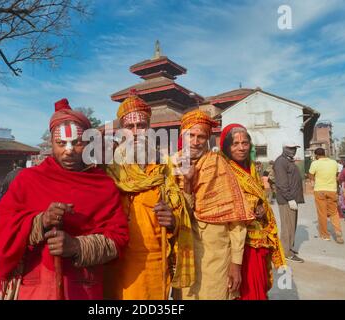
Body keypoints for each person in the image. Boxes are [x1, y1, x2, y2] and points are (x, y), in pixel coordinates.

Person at [0, 98, 129, 300]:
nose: (68, 151)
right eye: (61, 143)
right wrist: (40, 221)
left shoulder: (104, 187)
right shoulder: (28, 180)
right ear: (51, 144)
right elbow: (1, 226)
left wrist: (77, 247)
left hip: (84, 286)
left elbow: (119, 239)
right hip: (35, 285)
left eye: (77, 143)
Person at [104, 92, 195, 300]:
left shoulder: (164, 169)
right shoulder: (106, 172)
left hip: (155, 261)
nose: (136, 133)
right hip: (116, 264)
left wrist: (172, 221)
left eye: (142, 126)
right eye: (130, 127)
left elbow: (183, 212)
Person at [176, 111, 255, 300]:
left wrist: (236, 263)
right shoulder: (171, 165)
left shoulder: (219, 165)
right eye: (190, 136)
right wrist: (187, 183)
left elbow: (236, 220)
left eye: (201, 136)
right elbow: (176, 212)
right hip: (183, 253)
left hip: (216, 256)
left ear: (208, 139)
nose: (195, 142)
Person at [220, 124, 286, 300]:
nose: (241, 148)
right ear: (226, 147)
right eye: (235, 144)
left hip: (258, 240)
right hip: (235, 242)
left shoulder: (252, 168)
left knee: (258, 288)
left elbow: (260, 196)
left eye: (245, 142)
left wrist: (261, 208)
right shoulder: (222, 169)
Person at [274, 142, 305, 263]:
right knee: (288, 226)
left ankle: (289, 248)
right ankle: (286, 252)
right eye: (290, 148)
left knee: (292, 225)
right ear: (284, 148)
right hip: (287, 200)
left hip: (292, 198)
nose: (293, 150)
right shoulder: (281, 162)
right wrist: (290, 198)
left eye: (295, 148)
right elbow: (282, 183)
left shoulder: (288, 161)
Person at [309, 148, 344, 244]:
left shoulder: (315, 163)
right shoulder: (334, 163)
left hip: (319, 190)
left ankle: (325, 235)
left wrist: (313, 182)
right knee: (334, 213)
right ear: (325, 153)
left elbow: (311, 175)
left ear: (316, 155)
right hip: (332, 190)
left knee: (322, 213)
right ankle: (338, 232)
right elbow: (336, 176)